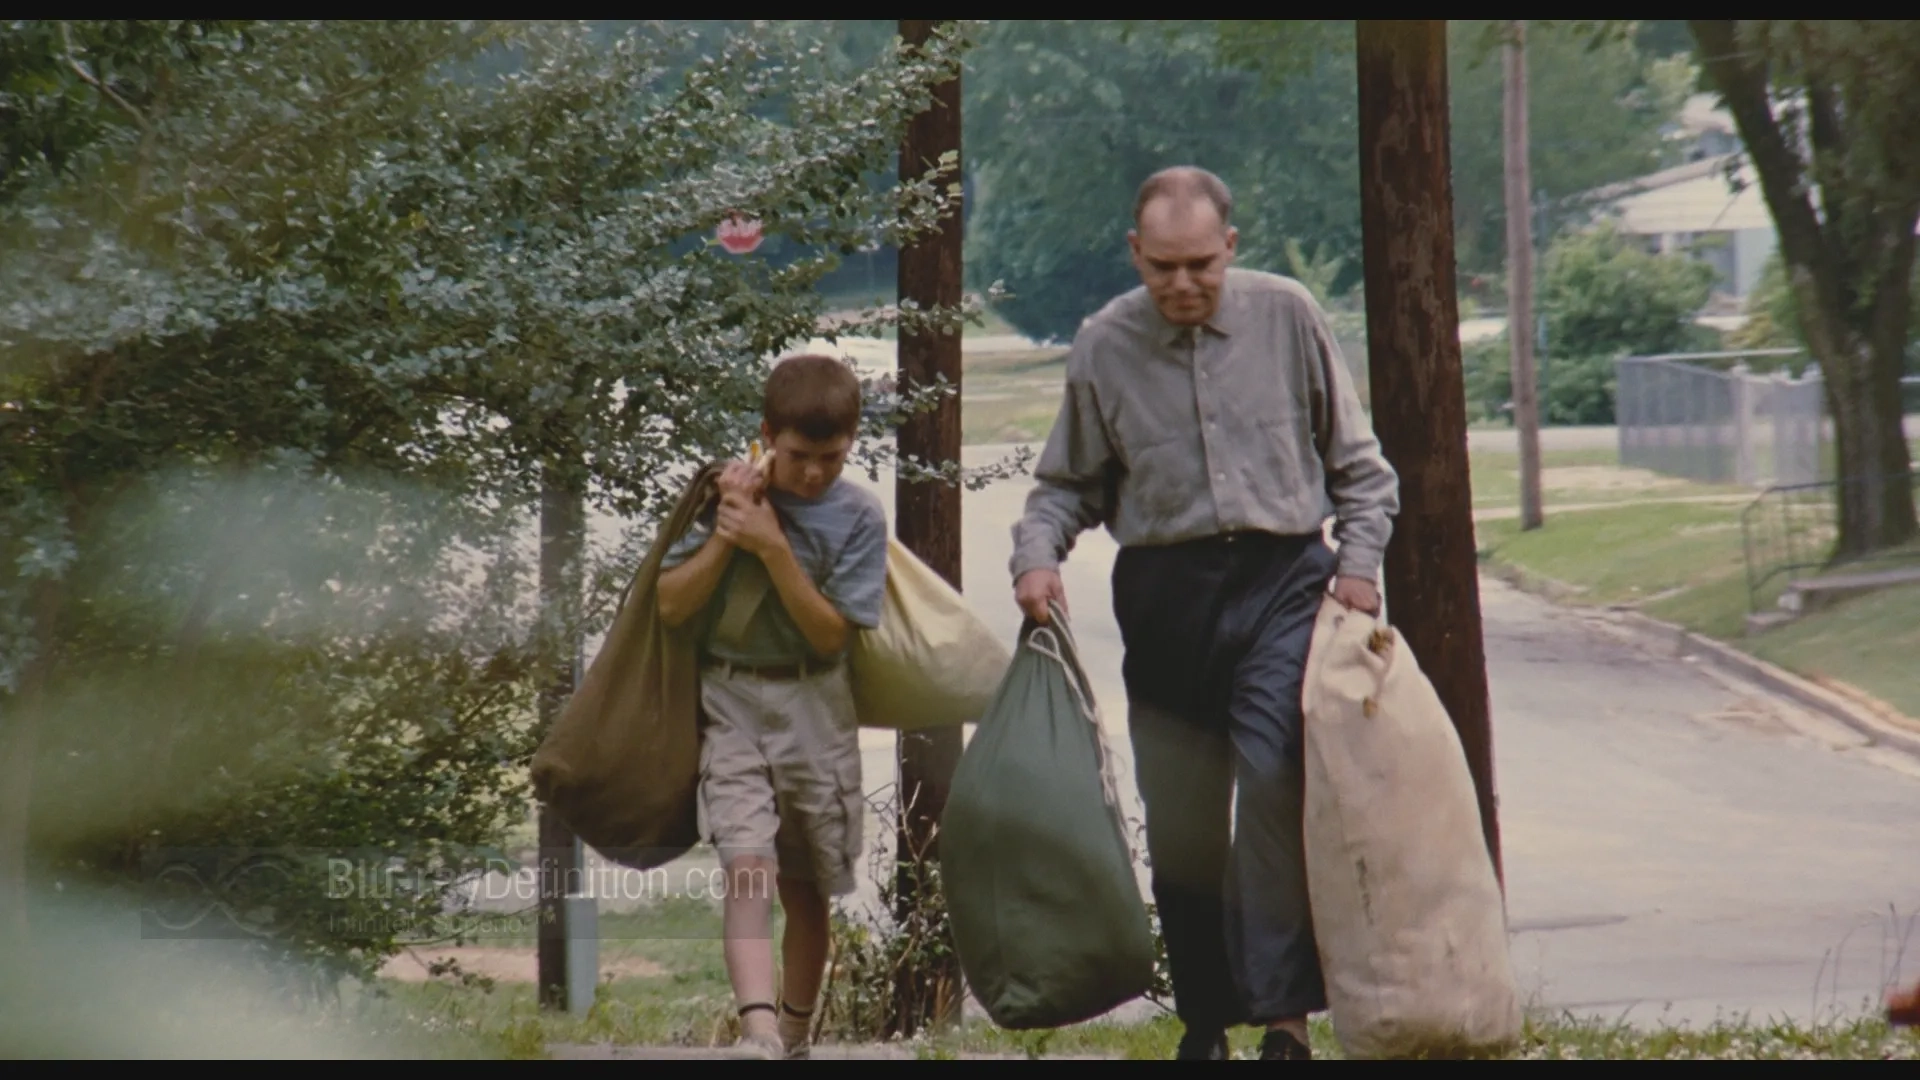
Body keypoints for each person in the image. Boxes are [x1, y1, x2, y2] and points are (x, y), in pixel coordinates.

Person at [1008, 166, 1401, 1061]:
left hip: (1285, 582)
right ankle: (1205, 1022)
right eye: (1163, 268)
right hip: (1165, 592)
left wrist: (1361, 568)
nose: (1183, 286)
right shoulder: (1104, 343)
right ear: (1135, 254)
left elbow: (1361, 470)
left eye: (1200, 265)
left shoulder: (1288, 316)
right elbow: (1064, 485)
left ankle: (1286, 1021)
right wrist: (1037, 556)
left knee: (1272, 783)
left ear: (1230, 248)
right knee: (1181, 815)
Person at [656, 353, 890, 1060]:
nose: (814, 473)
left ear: (851, 443)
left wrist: (773, 546)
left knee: (808, 884)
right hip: (730, 697)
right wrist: (732, 533)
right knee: (746, 863)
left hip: (815, 705)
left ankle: (792, 1036)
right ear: (767, 434)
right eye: (797, 456)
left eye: (832, 458)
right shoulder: (725, 496)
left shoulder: (859, 516)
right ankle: (757, 1032)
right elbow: (670, 605)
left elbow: (828, 636)